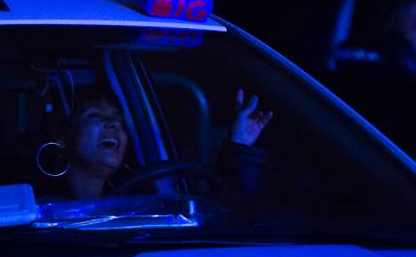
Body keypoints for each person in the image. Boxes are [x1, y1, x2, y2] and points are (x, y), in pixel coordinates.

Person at [36, 85, 272, 200]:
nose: (114, 125)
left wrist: (239, 144)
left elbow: (232, 214)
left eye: (119, 121)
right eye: (96, 116)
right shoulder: (35, 201)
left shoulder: (141, 201)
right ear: (64, 135)